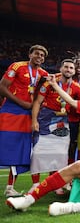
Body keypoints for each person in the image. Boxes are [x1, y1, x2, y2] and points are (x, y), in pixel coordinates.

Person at [29, 59, 80, 194]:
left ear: (74, 71)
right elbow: (38, 102)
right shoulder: (50, 82)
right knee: (38, 151)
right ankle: (35, 184)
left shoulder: (77, 87)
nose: (68, 70)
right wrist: (34, 121)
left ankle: (56, 184)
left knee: (60, 154)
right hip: (45, 118)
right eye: (66, 67)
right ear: (60, 69)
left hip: (62, 121)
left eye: (71, 68)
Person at [0, 44, 49, 197]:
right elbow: (2, 87)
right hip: (12, 111)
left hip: (30, 114)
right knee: (12, 147)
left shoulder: (43, 73)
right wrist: (21, 103)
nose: (39, 57)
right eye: (37, 53)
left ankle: (27, 185)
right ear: (30, 54)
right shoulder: (17, 66)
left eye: (42, 55)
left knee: (29, 149)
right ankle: (10, 187)